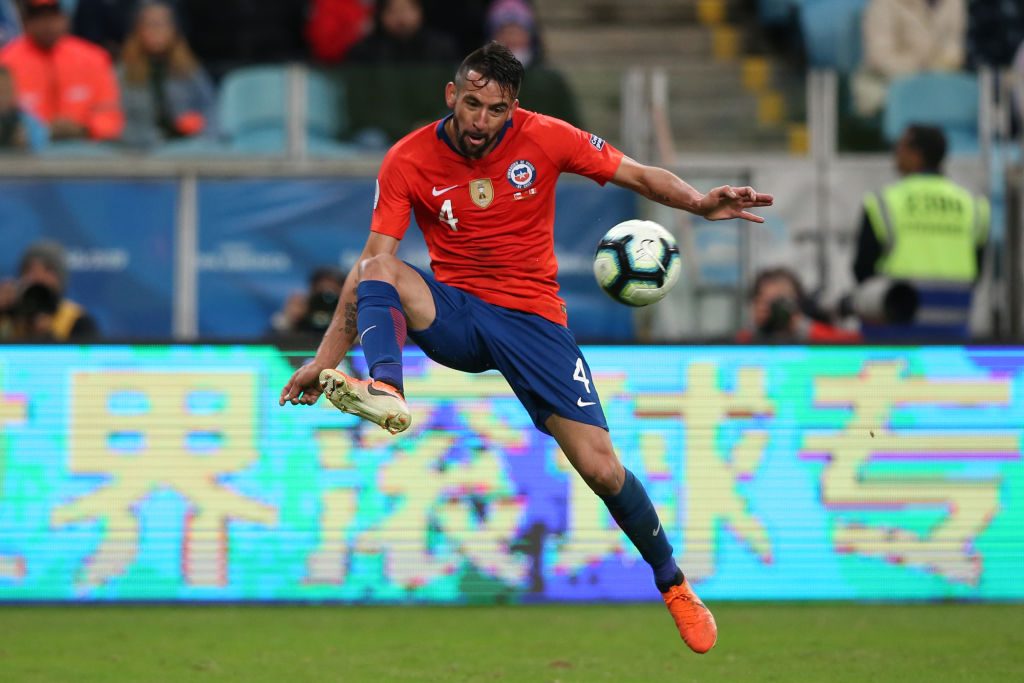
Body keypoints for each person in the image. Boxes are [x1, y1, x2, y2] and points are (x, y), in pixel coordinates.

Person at [279, 42, 773, 653]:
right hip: (456, 314)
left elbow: (639, 174)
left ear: (515, 107)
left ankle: (673, 583)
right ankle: (386, 388)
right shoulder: (408, 159)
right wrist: (323, 363)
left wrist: (698, 203)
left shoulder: (546, 137)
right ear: (451, 96)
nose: (481, 120)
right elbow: (367, 271)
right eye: (472, 103)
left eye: (495, 109)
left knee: (600, 467)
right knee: (377, 265)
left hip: (535, 321)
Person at [852, 123, 988, 339]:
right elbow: (977, 269)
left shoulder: (883, 202)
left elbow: (862, 270)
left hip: (894, 331)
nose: (895, 153)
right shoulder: (972, 204)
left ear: (917, 155)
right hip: (953, 331)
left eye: (900, 147)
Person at [0, 0, 123, 141]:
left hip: (88, 149)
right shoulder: (6, 61)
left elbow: (111, 116)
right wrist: (42, 131)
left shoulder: (93, 58)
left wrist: (84, 129)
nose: (48, 24)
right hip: (28, 151)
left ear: (65, 19)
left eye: (53, 17)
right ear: (27, 22)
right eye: (40, 18)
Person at [118, 0, 214, 150]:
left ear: (174, 29)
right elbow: (116, 121)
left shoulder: (190, 69)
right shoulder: (122, 73)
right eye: (150, 24)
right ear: (138, 29)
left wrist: (200, 127)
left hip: (187, 148)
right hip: (138, 151)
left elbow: (211, 108)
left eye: (162, 24)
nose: (156, 30)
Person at [853, 0, 966, 116]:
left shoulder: (955, 3)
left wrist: (937, 72)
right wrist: (923, 72)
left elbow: (955, 48)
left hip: (940, 87)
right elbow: (880, 56)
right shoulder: (883, 3)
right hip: (886, 88)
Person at [486, 0, 582, 127]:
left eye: (517, 32)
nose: (511, 39)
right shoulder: (480, 79)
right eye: (504, 32)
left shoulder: (551, 81)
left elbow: (574, 131)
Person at [0, 240, 98, 340]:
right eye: (29, 270)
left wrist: (46, 334)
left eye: (48, 270)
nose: (37, 277)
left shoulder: (77, 321)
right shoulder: (8, 315)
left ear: (60, 278)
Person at [737, 267, 862, 343]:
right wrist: (756, 327)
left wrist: (801, 326)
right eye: (769, 303)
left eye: (781, 301)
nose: (776, 309)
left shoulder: (811, 334)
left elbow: (855, 343)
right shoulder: (747, 340)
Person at [346, 0, 457, 64]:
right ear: (381, 15)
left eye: (407, 9)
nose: (401, 18)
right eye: (392, 10)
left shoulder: (441, 47)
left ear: (420, 11)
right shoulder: (364, 52)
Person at [268, 266, 347, 340]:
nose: (326, 297)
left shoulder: (348, 315)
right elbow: (271, 344)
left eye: (333, 289)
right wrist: (288, 321)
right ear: (311, 292)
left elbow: (356, 346)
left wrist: (351, 320)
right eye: (321, 289)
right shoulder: (303, 314)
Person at [0, 63, 46, 150]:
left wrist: (27, 144)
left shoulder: (29, 122)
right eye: (0, 91)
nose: (3, 96)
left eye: (7, 90)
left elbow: (43, 150)